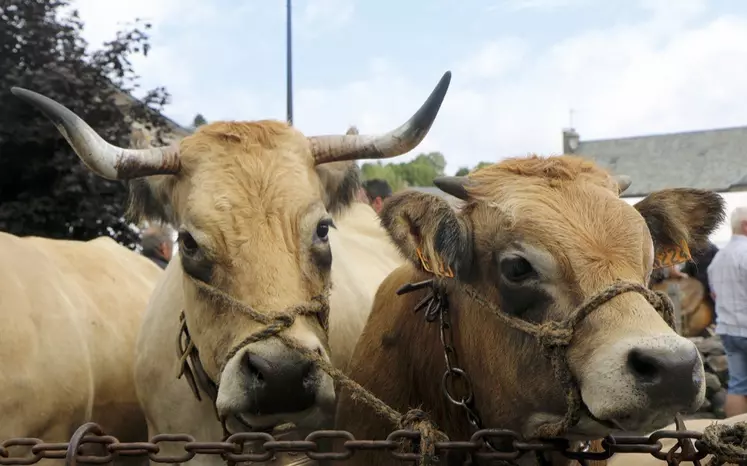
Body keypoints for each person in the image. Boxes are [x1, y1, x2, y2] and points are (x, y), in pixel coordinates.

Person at [708, 207, 747, 417]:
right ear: (745, 225)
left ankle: (735, 440)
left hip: (728, 328)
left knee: (737, 385)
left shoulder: (718, 259)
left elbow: (714, 294)